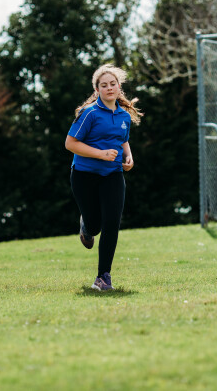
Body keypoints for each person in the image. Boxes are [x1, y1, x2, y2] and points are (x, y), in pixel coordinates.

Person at [65, 64, 143, 291]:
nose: (109, 88)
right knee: (95, 225)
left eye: (113, 84)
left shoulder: (123, 116)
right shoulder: (89, 113)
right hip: (84, 175)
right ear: (97, 89)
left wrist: (129, 157)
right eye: (104, 85)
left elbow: (123, 140)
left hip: (113, 175)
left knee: (112, 223)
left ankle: (103, 277)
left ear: (119, 87)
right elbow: (70, 143)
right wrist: (100, 154)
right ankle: (86, 227)